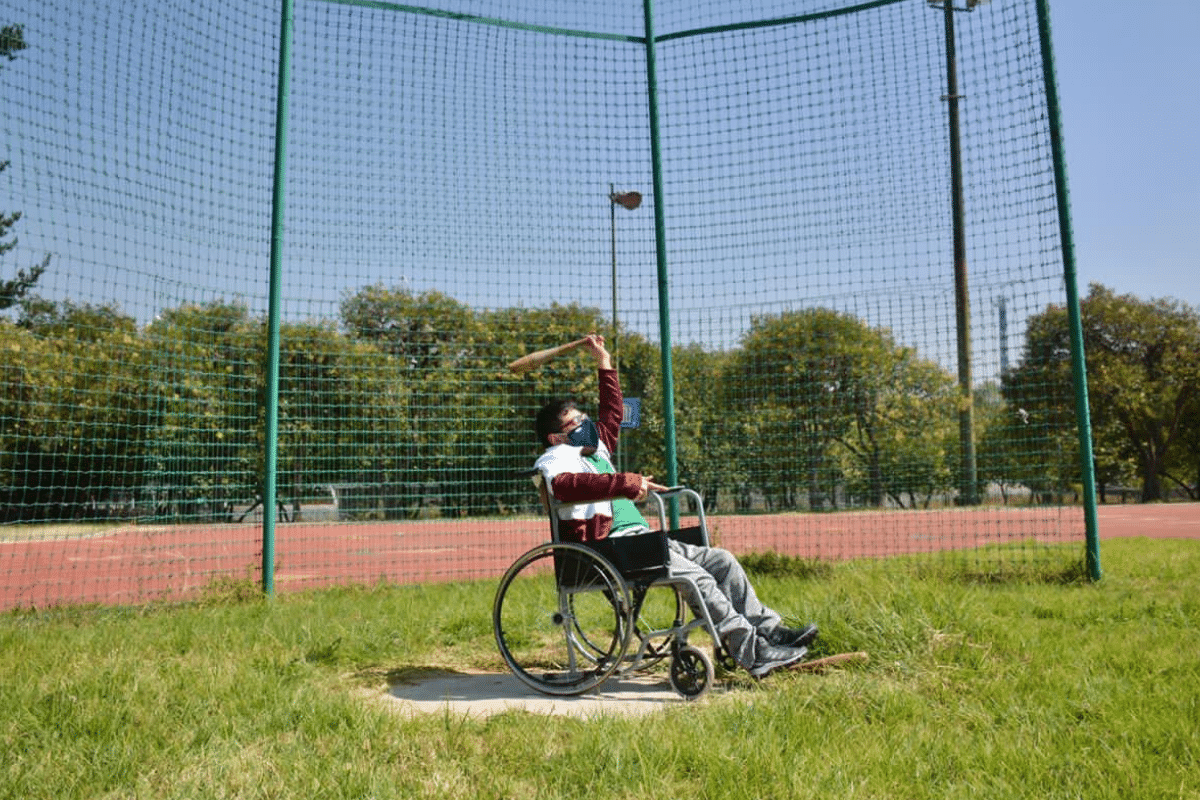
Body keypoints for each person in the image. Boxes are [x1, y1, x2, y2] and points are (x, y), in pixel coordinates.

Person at [532, 333, 817, 679]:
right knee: (697, 578)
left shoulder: (596, 450)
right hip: (607, 550)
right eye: (575, 423)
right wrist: (629, 483)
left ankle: (769, 630)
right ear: (556, 437)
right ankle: (751, 651)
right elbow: (563, 487)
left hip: (640, 541)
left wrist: (602, 361)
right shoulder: (556, 457)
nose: (586, 425)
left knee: (721, 561)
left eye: (584, 418)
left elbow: (612, 412)